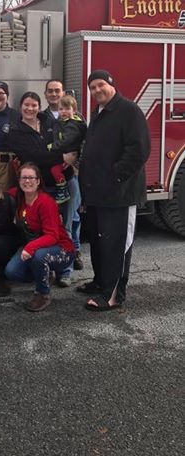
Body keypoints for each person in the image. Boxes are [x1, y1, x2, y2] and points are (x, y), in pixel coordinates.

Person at [78, 70, 150, 311]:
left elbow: (139, 150)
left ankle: (113, 295)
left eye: (101, 85)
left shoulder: (129, 110)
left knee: (117, 245)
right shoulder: (99, 113)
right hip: (98, 194)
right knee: (100, 243)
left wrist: (115, 176)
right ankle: (100, 282)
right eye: (92, 87)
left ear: (112, 84)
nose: (97, 90)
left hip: (119, 194)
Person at [5, 163, 75, 312]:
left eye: (31, 178)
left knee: (39, 256)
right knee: (12, 272)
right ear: (19, 180)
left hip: (61, 249)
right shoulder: (19, 197)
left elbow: (52, 236)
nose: (27, 181)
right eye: (24, 177)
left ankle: (43, 293)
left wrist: (30, 248)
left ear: (38, 181)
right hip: (35, 247)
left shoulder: (46, 202)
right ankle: (42, 274)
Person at [43, 80, 85, 270]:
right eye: (50, 91)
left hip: (71, 173)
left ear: (63, 93)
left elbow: (85, 141)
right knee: (55, 218)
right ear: (45, 94)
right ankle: (59, 256)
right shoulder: (42, 117)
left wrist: (76, 160)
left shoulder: (77, 118)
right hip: (52, 173)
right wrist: (60, 157)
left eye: (57, 91)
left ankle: (75, 252)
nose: (53, 94)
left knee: (73, 215)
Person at [48, 95, 87, 204]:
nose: (64, 111)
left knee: (55, 170)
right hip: (64, 156)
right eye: (61, 109)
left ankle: (63, 191)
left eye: (67, 108)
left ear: (74, 110)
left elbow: (66, 140)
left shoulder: (73, 125)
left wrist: (52, 146)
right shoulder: (62, 122)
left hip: (70, 157)